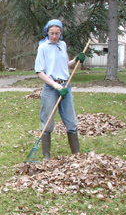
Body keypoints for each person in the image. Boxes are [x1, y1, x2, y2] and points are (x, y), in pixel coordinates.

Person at [34, 19, 87, 160]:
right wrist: (56, 86)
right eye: (52, 33)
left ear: (61, 33)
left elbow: (65, 65)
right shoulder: (43, 47)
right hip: (51, 88)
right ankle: (46, 157)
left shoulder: (62, 45)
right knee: (48, 123)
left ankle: (76, 155)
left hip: (66, 86)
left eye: (57, 33)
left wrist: (76, 60)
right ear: (47, 32)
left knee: (71, 122)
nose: (54, 36)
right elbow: (40, 72)